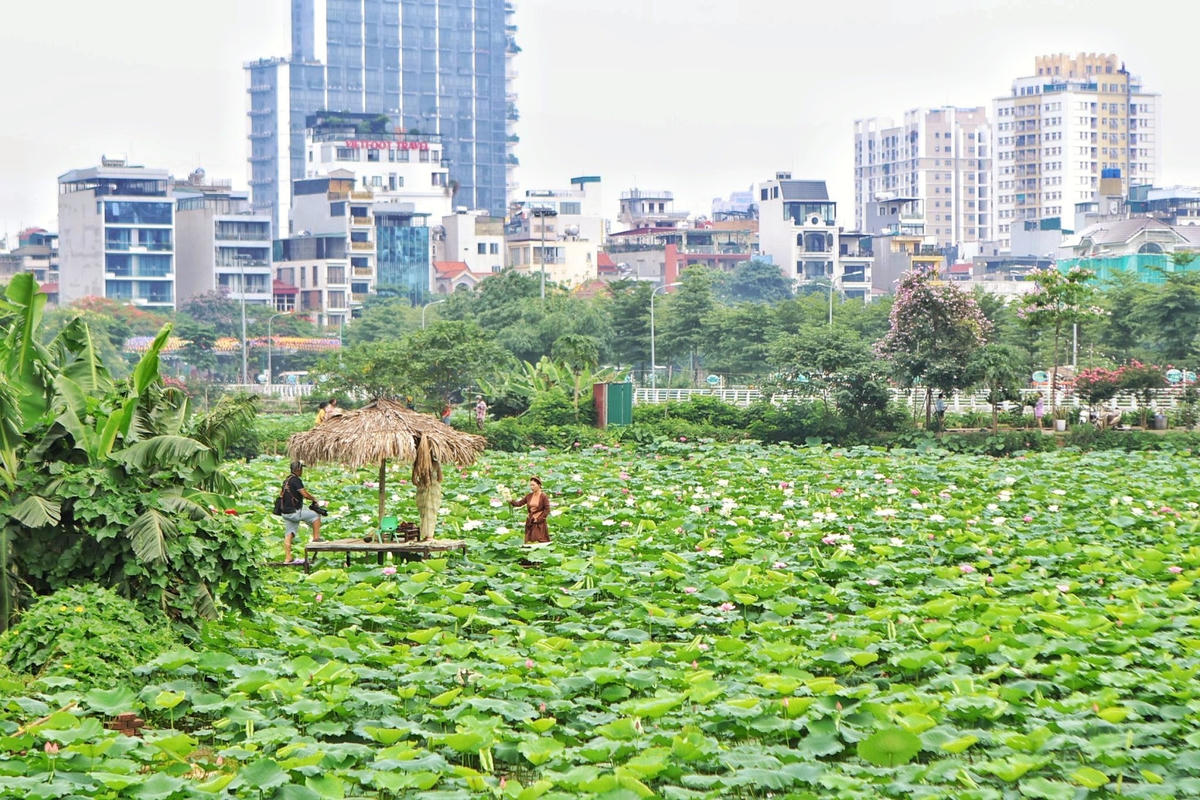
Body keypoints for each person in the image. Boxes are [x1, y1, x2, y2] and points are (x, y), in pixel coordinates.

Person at [279, 460, 322, 563]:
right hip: (294, 512)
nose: (302, 471)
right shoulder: (296, 480)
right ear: (298, 470)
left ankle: (288, 557)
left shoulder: (286, 480)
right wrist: (314, 499)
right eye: (301, 469)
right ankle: (316, 539)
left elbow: (281, 494)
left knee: (289, 534)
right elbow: (304, 494)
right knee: (316, 515)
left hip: (286, 513)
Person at [509, 476, 550, 544]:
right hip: (530, 520)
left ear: (539, 485)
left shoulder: (543, 496)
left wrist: (539, 519)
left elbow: (547, 510)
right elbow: (519, 503)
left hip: (539, 522)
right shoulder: (529, 496)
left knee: (539, 540)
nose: (531, 487)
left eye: (533, 485)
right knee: (530, 540)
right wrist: (511, 500)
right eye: (530, 485)